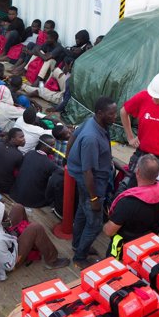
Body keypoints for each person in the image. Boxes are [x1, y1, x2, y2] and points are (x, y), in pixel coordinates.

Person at [68, 96, 118, 268]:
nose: (115, 117)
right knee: (95, 224)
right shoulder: (91, 138)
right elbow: (88, 172)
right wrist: (95, 199)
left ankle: (77, 245)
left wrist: (68, 158)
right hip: (92, 183)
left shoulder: (92, 122)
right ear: (100, 113)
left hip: (88, 179)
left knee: (82, 211)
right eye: (111, 114)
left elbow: (72, 137)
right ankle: (80, 256)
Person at [103, 154, 159, 260]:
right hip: (147, 248)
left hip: (121, 249)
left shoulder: (127, 202)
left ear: (138, 172)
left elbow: (109, 231)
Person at [0, 201, 69, 282]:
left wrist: (14, 235)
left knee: (18, 208)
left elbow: (2, 226)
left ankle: (32, 238)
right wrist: (16, 239)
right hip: (12, 261)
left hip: (5, 236)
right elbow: (9, 265)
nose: (6, 214)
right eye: (3, 214)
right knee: (35, 228)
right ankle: (52, 261)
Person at [11, 134, 60, 208]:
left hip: (15, 194)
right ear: (45, 146)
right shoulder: (50, 164)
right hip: (32, 202)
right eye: (52, 145)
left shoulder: (29, 153)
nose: (54, 148)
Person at [0, 128, 25, 194]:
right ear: (12, 139)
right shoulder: (18, 155)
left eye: (23, 136)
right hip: (5, 188)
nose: (24, 139)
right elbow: (18, 173)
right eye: (21, 137)